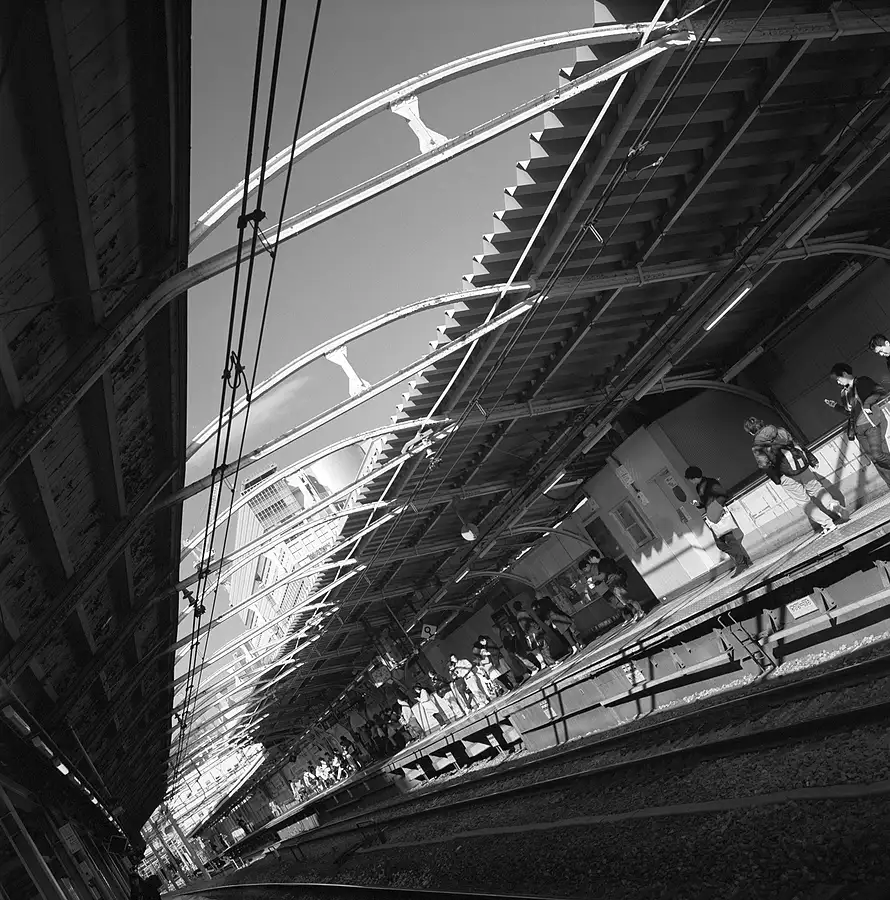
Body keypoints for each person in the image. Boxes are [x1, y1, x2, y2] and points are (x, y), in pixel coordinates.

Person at [744, 416, 848, 534]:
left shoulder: (757, 446)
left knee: (804, 501)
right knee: (817, 489)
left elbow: (764, 465)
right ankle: (833, 505)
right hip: (801, 466)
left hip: (785, 475)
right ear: (762, 423)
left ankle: (828, 524)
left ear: (751, 432)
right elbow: (797, 445)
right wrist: (811, 459)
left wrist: (777, 479)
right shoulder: (780, 431)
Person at [828, 363, 890, 488]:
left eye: (838, 379)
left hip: (872, 423)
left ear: (844, 373)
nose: (838, 382)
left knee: (879, 454)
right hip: (859, 430)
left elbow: (879, 391)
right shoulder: (843, 393)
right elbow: (850, 412)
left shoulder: (862, 381)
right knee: (875, 460)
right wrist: (836, 407)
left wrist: (867, 404)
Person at [684, 465, 752, 575]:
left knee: (727, 541)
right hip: (712, 515)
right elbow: (706, 501)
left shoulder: (711, 483)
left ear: (694, 478)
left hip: (718, 514)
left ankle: (742, 563)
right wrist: (699, 504)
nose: (691, 482)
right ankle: (744, 562)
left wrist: (715, 507)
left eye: (690, 480)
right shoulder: (698, 487)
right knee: (724, 542)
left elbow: (723, 494)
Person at [593, 555, 645, 622]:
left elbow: (603, 576)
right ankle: (637, 612)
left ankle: (639, 612)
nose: (591, 561)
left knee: (627, 599)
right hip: (619, 580)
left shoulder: (601, 565)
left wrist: (593, 578)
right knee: (627, 599)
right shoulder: (607, 559)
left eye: (590, 559)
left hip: (614, 583)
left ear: (593, 557)